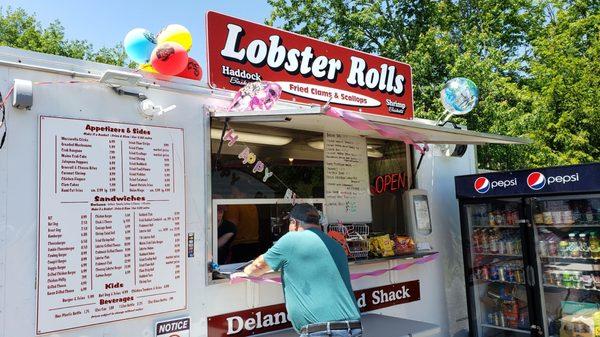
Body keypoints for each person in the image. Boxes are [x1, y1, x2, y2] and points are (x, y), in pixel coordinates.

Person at [235, 203, 362, 337]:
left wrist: (245, 270)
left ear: (294, 223)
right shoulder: (334, 245)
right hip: (352, 328)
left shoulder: (291, 239)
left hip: (322, 331)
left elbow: (257, 268)